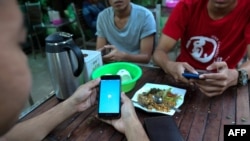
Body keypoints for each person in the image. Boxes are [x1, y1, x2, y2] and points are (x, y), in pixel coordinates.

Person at [0, 1, 149, 141]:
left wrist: (72, 104)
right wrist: (132, 124)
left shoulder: (144, 16)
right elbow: (99, 51)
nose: (25, 60)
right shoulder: (104, 16)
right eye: (14, 46)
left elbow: (13, 136)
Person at [153, 0, 250, 97]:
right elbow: (159, 51)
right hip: (184, 80)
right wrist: (169, 65)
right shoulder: (187, 5)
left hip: (224, 83)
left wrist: (236, 76)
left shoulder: (247, 9)